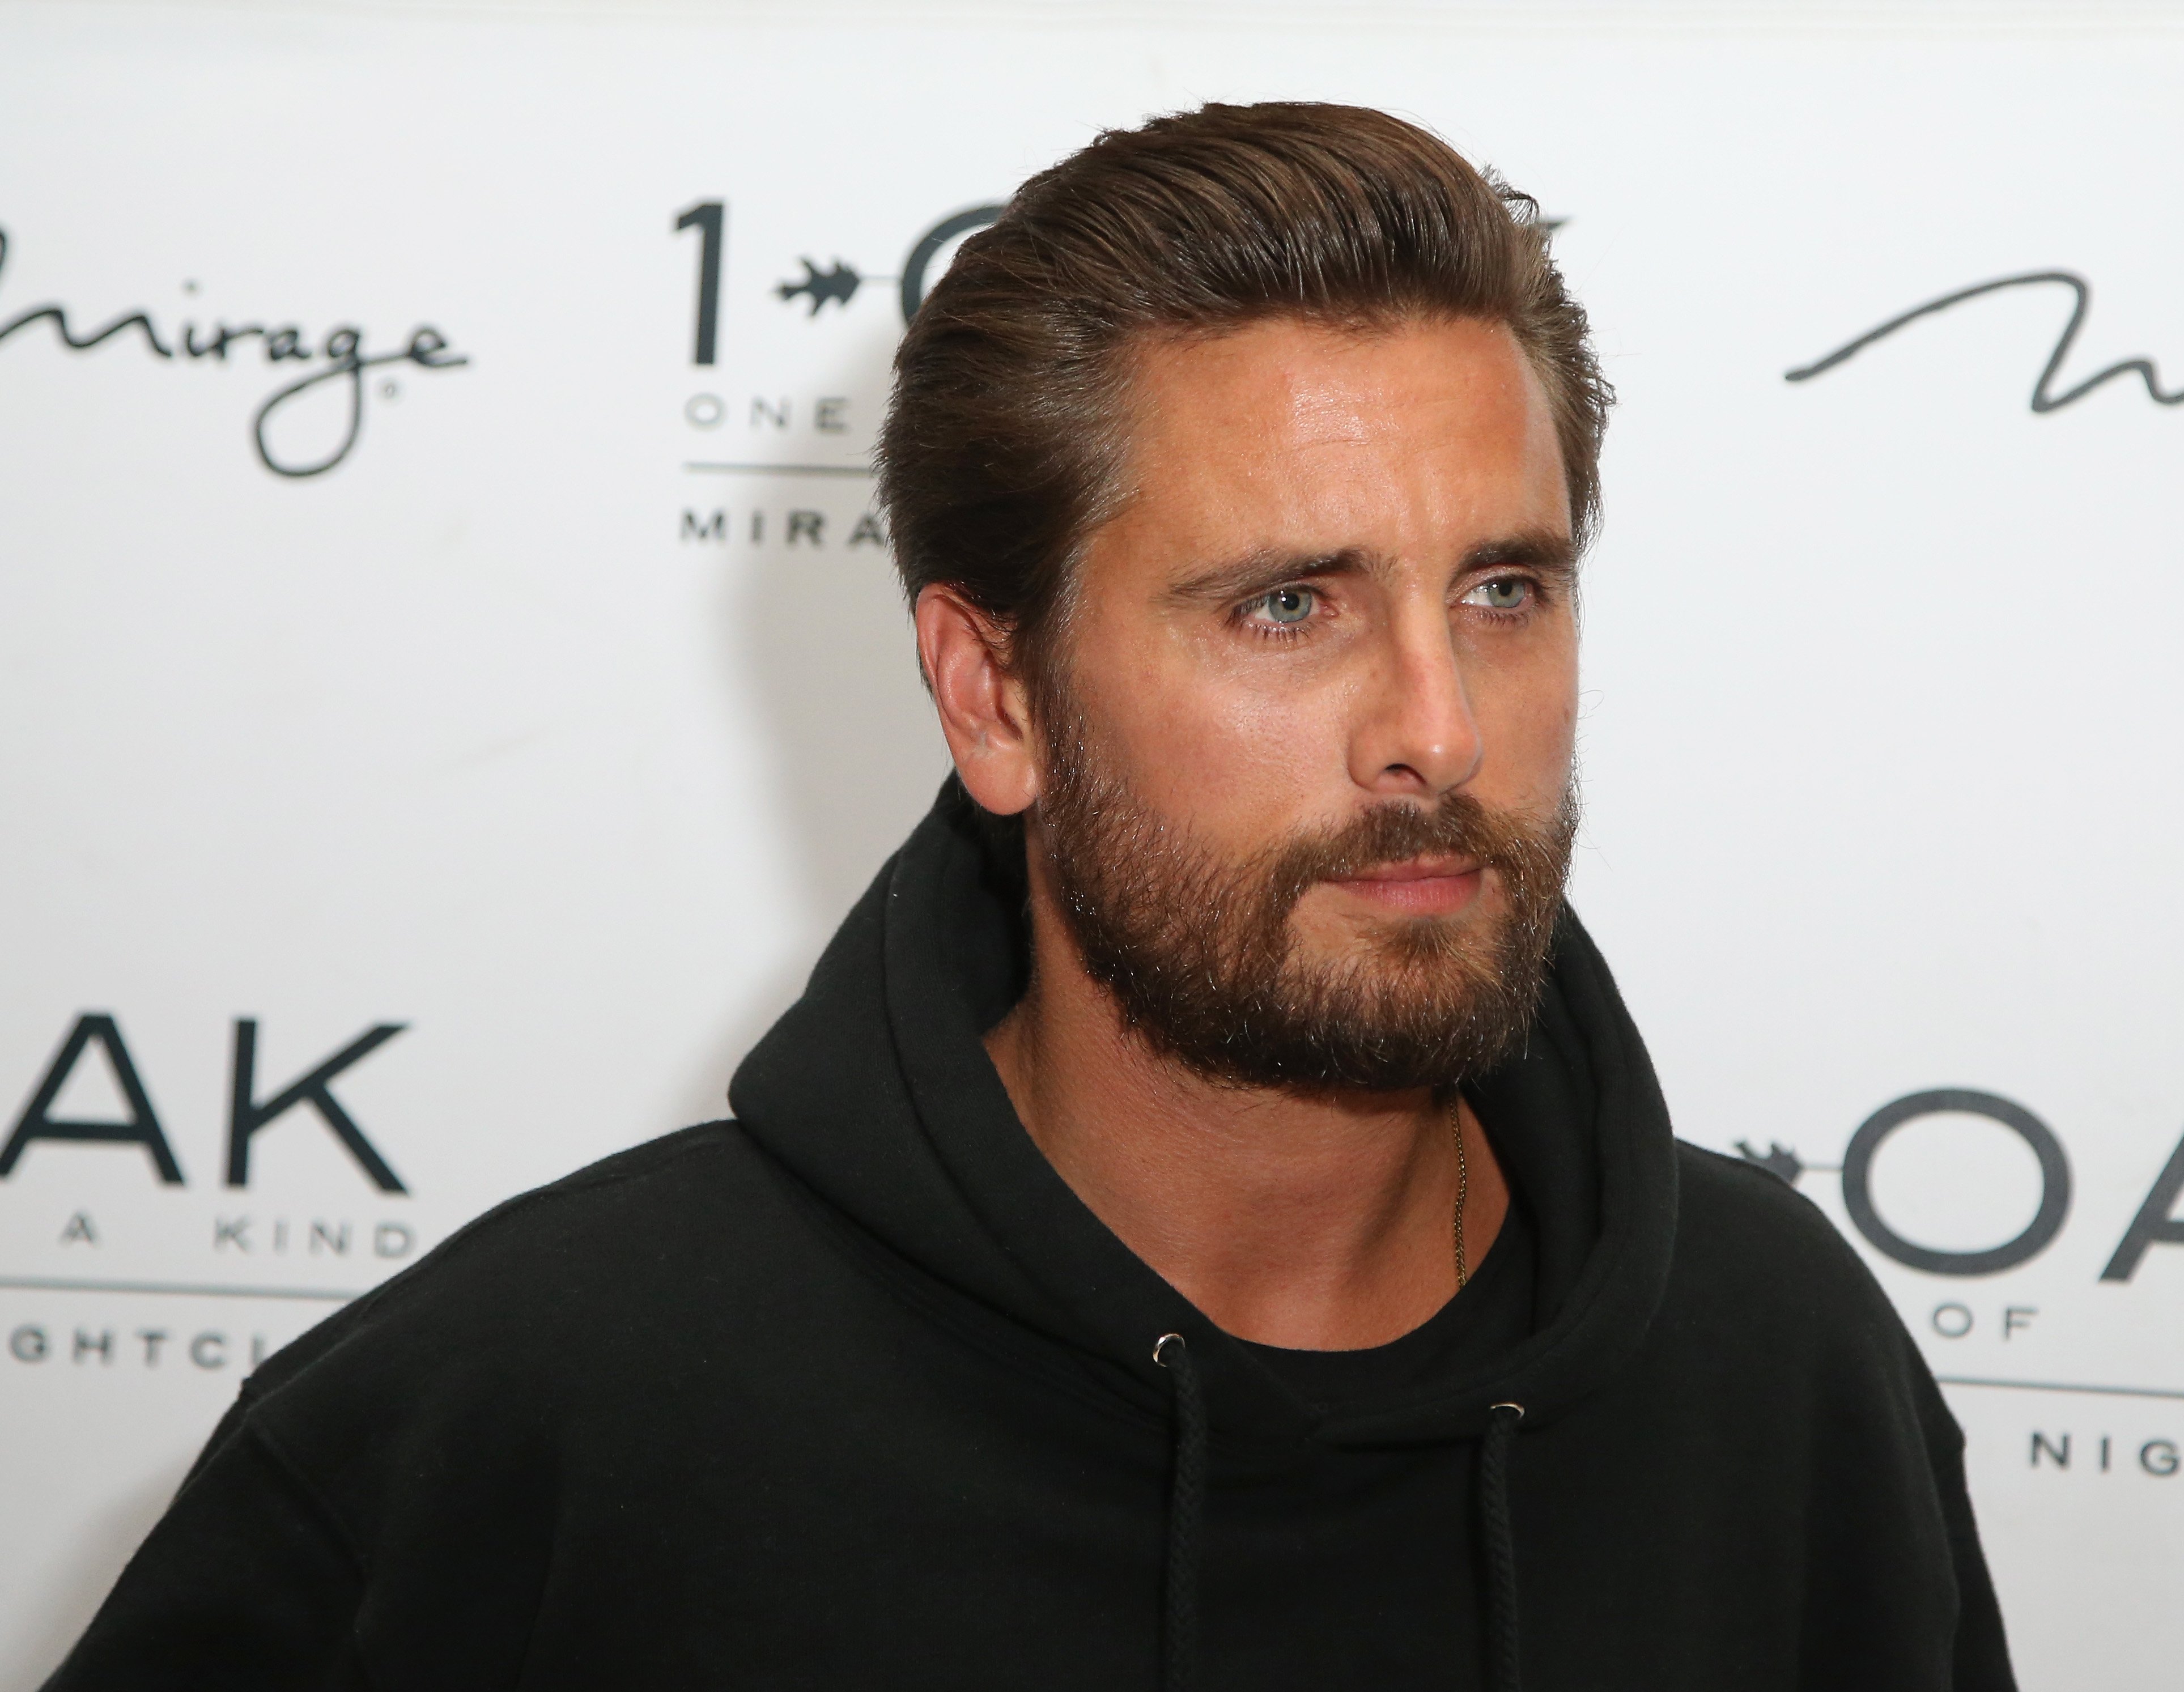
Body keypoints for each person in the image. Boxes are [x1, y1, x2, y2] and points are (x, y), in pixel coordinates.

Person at [47, 103, 2014, 1691]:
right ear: (996, 698)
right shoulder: (526, 1421)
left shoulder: (1781, 1374)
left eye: (1505, 589)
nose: (1437, 728)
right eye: (1287, 605)